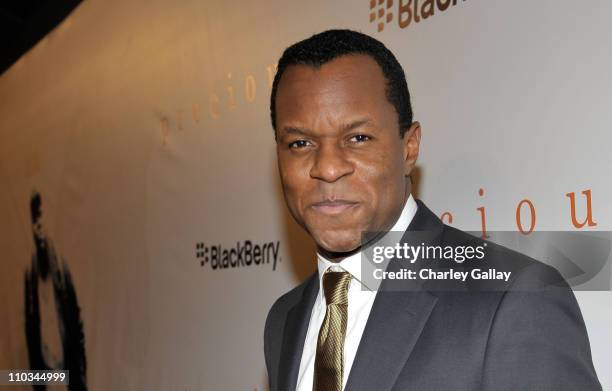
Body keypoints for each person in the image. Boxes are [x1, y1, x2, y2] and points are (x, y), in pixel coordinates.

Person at [264, 29, 601, 391]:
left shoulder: (517, 300)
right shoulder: (284, 318)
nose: (328, 168)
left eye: (358, 138)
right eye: (300, 143)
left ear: (408, 149)